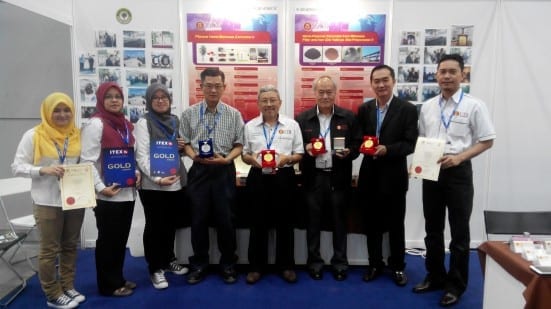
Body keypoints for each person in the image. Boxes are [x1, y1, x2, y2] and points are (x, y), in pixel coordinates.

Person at [413, 54, 496, 307]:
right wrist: (417, 163)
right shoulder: (427, 106)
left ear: (462, 75)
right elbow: (424, 140)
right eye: (442, 72)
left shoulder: (474, 105)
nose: (447, 76)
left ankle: (456, 285)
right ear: (436, 75)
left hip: (458, 172)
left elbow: (487, 140)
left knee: (460, 232)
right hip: (432, 172)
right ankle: (435, 276)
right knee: (432, 228)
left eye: (452, 71)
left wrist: (460, 158)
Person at [11, 93, 85, 309]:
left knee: (70, 245)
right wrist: (42, 170)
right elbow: (16, 166)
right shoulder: (34, 135)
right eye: (57, 110)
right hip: (47, 201)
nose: (62, 115)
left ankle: (67, 285)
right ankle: (52, 293)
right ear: (47, 112)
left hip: (74, 199)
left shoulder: (76, 135)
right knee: (49, 249)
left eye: (66, 110)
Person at [180, 68, 244, 284]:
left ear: (224, 87)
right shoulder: (189, 113)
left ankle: (228, 264)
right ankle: (199, 264)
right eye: (209, 85)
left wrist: (227, 160)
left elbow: (239, 145)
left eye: (218, 85)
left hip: (223, 170)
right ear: (201, 87)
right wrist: (193, 156)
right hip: (199, 171)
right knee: (198, 219)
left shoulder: (233, 114)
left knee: (226, 220)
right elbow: (185, 142)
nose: (213, 89)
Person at [357, 65, 419, 287]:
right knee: (371, 223)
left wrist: (388, 149)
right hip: (369, 176)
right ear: (371, 84)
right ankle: (375, 264)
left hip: (394, 176)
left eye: (385, 80)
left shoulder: (408, 110)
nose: (381, 85)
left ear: (393, 81)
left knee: (395, 225)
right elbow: (358, 141)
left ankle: (398, 267)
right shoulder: (364, 109)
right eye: (376, 81)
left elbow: (410, 144)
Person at [296, 75, 362, 281]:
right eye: (321, 92)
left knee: (339, 222)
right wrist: (306, 149)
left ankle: (340, 263)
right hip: (313, 178)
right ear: (314, 93)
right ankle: (314, 262)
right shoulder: (302, 119)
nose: (325, 96)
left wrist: (349, 152)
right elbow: (296, 147)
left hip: (338, 178)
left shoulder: (348, 117)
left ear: (335, 93)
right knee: (313, 222)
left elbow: (358, 145)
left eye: (329, 92)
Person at [81, 82, 140, 297]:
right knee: (108, 240)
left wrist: (135, 172)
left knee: (119, 239)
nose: (114, 100)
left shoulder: (124, 124)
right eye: (109, 97)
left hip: (126, 193)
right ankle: (108, 285)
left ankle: (118, 277)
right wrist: (100, 188)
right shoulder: (95, 124)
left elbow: (127, 155)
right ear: (101, 100)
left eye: (118, 96)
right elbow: (87, 161)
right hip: (107, 196)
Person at [241, 85, 304, 284]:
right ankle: (256, 267)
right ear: (259, 103)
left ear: (280, 103)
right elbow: (244, 153)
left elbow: (300, 153)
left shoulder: (292, 125)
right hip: (258, 176)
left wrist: (288, 159)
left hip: (284, 177)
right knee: (257, 222)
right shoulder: (250, 126)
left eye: (272, 100)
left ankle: (286, 266)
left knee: (285, 222)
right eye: (265, 100)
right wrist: (252, 160)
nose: (269, 104)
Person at [134, 83, 189, 290]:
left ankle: (168, 259)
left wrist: (181, 149)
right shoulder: (144, 122)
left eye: (164, 97)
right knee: (155, 225)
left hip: (174, 182)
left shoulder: (174, 120)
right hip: (153, 185)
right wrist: (157, 179)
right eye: (155, 97)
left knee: (170, 224)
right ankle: (155, 268)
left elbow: (175, 151)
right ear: (149, 101)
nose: (160, 100)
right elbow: (142, 156)